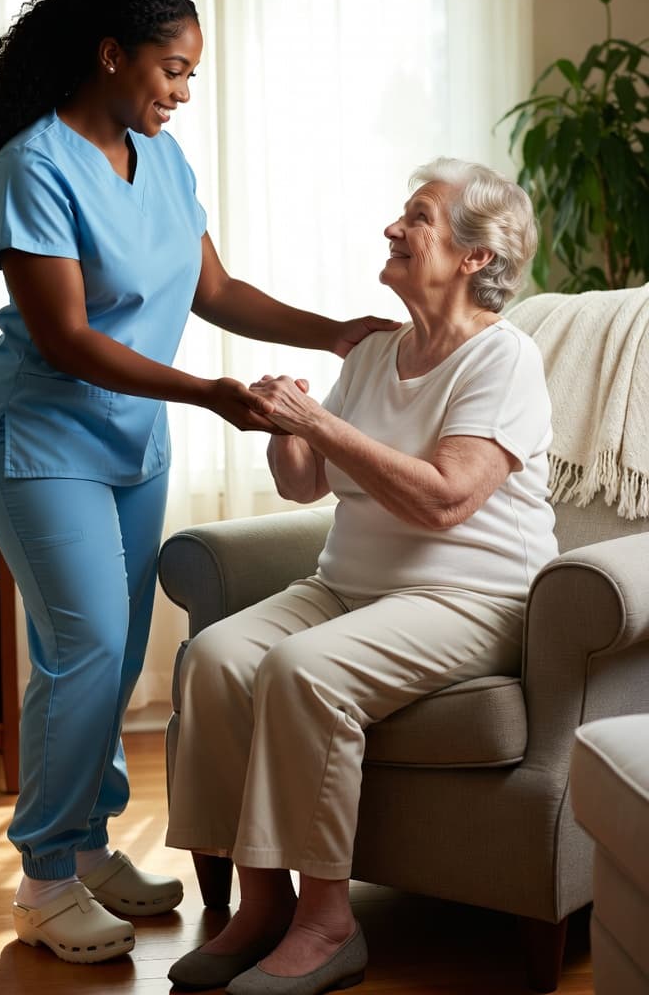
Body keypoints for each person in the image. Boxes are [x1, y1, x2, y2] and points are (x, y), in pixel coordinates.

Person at [0, 0, 396, 967]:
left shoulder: (164, 161)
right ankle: (43, 880)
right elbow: (62, 337)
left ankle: (88, 843)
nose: (183, 92)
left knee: (111, 651)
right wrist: (207, 394)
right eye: (172, 69)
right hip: (39, 441)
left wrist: (337, 333)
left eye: (191, 74)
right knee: (88, 648)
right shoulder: (34, 164)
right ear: (112, 55)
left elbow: (216, 290)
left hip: (131, 443)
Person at [165, 157, 559, 995]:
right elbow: (304, 482)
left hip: (473, 598)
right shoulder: (378, 352)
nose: (392, 228)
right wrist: (287, 420)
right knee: (215, 657)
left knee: (305, 672)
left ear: (475, 256)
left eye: (416, 216)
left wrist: (319, 423)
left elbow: (448, 501)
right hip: (347, 584)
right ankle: (262, 902)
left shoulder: (504, 361)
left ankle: (327, 922)